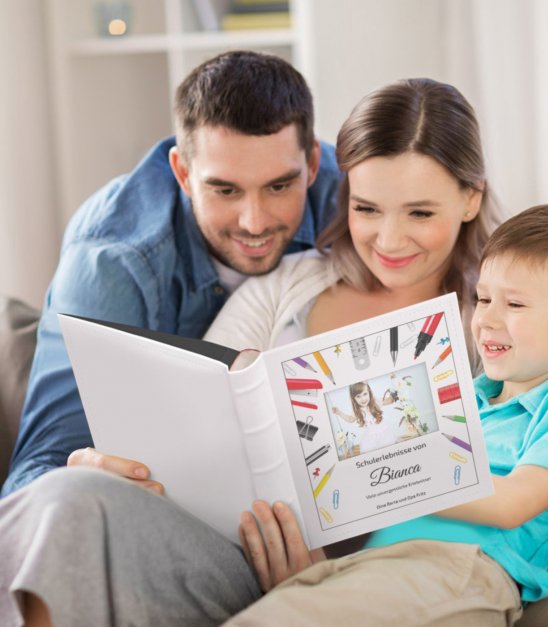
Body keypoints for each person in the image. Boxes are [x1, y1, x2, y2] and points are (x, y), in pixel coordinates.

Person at [0, 77, 500, 626]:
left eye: (420, 214)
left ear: (470, 197)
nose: (389, 239)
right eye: (367, 209)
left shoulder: (492, 325)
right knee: (71, 497)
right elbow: (190, 406)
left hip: (358, 582)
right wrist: (109, 464)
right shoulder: (291, 282)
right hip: (215, 547)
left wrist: (321, 578)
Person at [223, 203, 548, 626]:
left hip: (460, 571)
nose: (486, 318)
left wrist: (397, 467)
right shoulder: (466, 394)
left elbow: (513, 503)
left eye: (516, 305)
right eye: (483, 298)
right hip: (374, 565)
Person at [1, 50, 340, 497]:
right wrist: (80, 482)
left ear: (312, 163)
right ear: (182, 172)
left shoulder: (355, 201)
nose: (254, 221)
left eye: (279, 186)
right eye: (224, 189)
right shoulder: (113, 262)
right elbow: (31, 478)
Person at [332, 381, 396, 453]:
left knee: (389, 451)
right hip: (371, 439)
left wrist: (395, 388)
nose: (363, 399)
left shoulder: (376, 403)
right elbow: (350, 419)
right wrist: (339, 412)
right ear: (354, 398)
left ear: (369, 393)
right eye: (358, 396)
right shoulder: (358, 411)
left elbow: (390, 400)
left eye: (365, 394)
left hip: (384, 434)